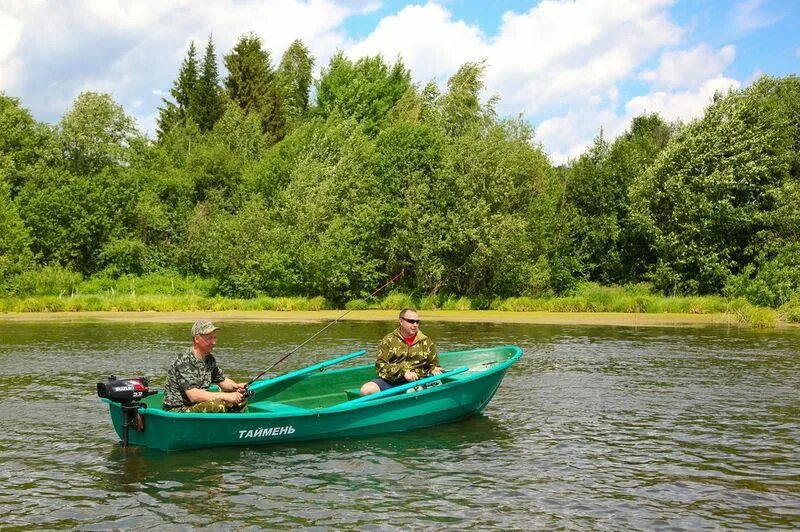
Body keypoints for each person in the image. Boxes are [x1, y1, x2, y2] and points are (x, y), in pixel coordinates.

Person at [162, 319, 248, 413]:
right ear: (196, 339)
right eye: (209, 338)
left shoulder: (209, 359)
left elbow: (222, 380)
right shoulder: (184, 361)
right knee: (217, 405)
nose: (214, 342)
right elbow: (194, 396)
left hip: (197, 405)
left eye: (215, 337)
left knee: (240, 401)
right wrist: (225, 396)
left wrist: (236, 386)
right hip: (178, 410)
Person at [359, 308, 443, 396]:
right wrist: (403, 373)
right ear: (401, 321)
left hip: (417, 382)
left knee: (417, 390)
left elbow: (432, 365)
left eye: (417, 322)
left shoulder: (426, 342)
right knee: (366, 390)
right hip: (391, 381)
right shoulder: (389, 340)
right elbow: (381, 367)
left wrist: (434, 369)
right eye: (411, 321)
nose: (415, 325)